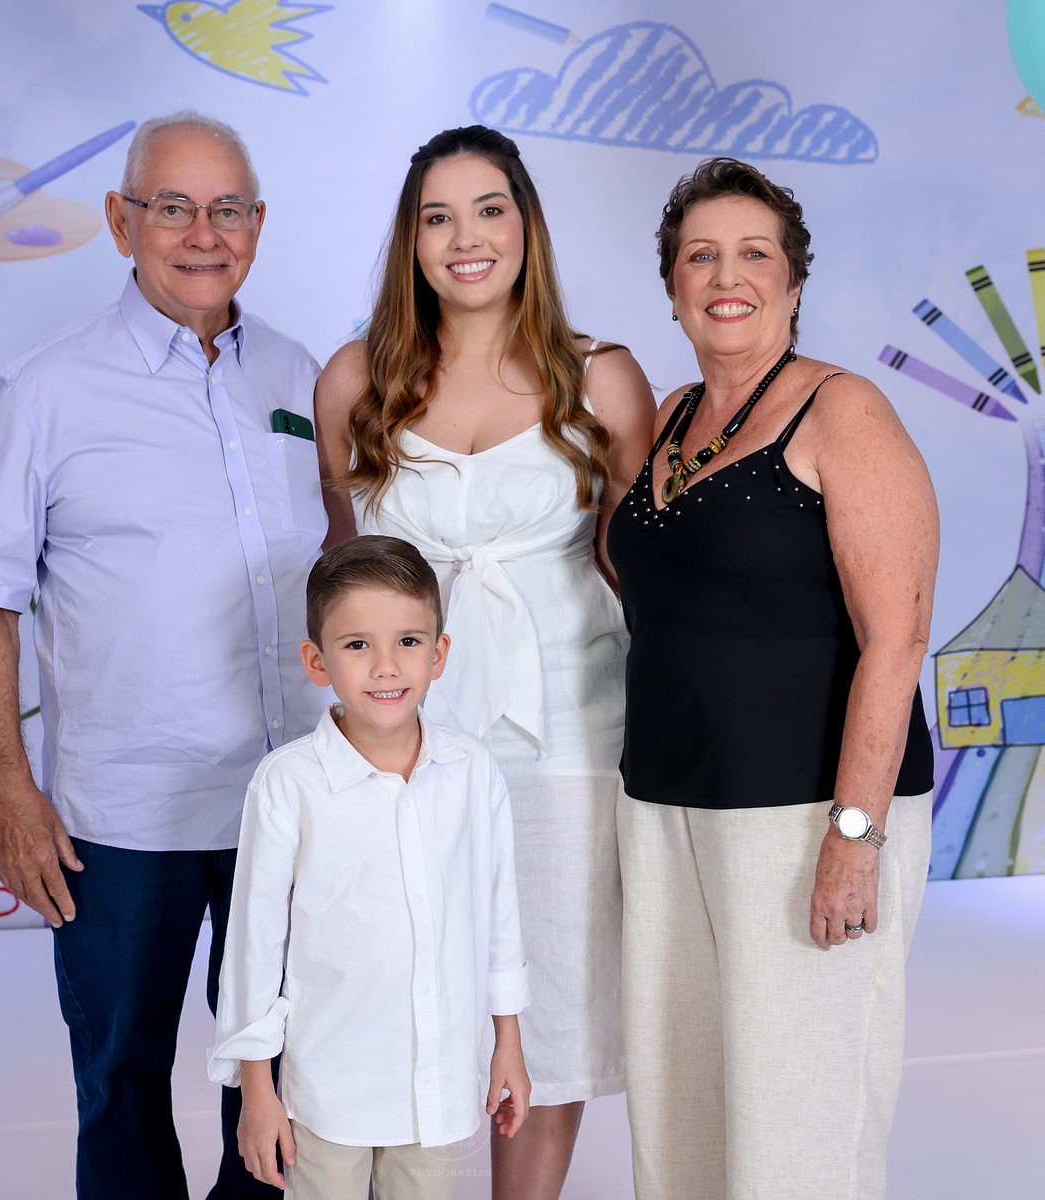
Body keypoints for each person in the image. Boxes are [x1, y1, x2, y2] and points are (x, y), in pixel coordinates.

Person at [0, 111, 324, 1199]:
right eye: (174, 208)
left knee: (285, 1077)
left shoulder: (300, 376)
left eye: (228, 209)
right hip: (122, 817)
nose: (204, 234)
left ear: (259, 224)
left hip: (288, 804)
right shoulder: (47, 389)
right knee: (120, 1077)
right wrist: (8, 789)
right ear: (121, 222)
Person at [314, 125, 653, 1200]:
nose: (467, 238)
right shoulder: (355, 381)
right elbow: (347, 580)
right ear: (411, 241)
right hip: (405, 743)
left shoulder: (603, 378)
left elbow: (644, 573)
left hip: (567, 735)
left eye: (490, 209)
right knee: (400, 992)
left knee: (547, 1016)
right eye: (438, 216)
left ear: (527, 224)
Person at [605, 157, 939, 1200]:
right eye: (700, 256)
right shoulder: (668, 414)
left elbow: (897, 640)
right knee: (683, 1111)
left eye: (755, 254)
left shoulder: (844, 411)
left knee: (798, 1122)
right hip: (666, 802)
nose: (726, 276)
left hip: (804, 814)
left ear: (794, 281)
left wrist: (854, 837)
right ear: (671, 286)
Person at [209, 535, 531, 1199]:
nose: (386, 666)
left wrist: (509, 1042)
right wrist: (257, 1091)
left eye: (408, 641)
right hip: (329, 1092)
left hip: (438, 1084)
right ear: (316, 661)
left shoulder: (472, 772)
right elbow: (253, 947)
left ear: (439, 653)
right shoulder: (289, 784)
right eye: (357, 644)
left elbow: (499, 916)